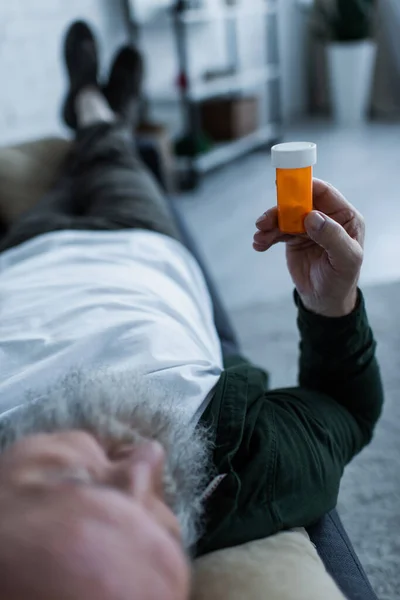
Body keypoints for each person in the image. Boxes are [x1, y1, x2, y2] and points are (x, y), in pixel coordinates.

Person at [0, 20, 383, 600]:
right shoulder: (234, 472)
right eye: (164, 519)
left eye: (81, 479)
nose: (148, 463)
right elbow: (346, 415)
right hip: (140, 242)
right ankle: (98, 111)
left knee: (79, 172)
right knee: (114, 161)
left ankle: (90, 103)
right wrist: (331, 302)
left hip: (30, 254)